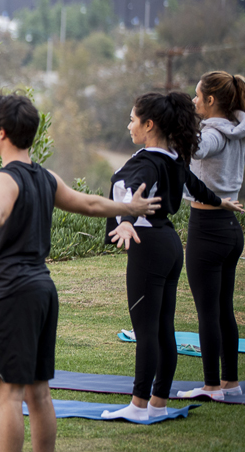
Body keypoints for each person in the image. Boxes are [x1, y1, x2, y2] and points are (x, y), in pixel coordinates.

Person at [0, 94, 161, 451]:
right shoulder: (46, 177)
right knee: (38, 392)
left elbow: (0, 213)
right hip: (41, 291)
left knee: (8, 395)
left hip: (13, 294)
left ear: (1, 132)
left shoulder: (2, 179)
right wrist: (129, 206)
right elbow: (90, 203)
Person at [101, 92, 244, 421]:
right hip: (167, 244)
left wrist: (123, 223)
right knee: (163, 327)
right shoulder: (173, 159)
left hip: (147, 243)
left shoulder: (147, 162)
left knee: (146, 330)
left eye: (133, 120)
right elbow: (195, 185)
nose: (129, 125)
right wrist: (222, 202)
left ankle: (139, 405)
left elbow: (132, 189)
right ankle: (157, 402)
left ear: (149, 125)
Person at [176, 71, 245, 401]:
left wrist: (175, 123)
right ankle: (230, 383)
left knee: (207, 312)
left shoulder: (215, 134)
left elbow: (197, 150)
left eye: (197, 95)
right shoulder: (237, 130)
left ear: (211, 101)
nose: (193, 100)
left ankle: (211, 386)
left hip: (208, 229)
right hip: (231, 229)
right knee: (223, 310)